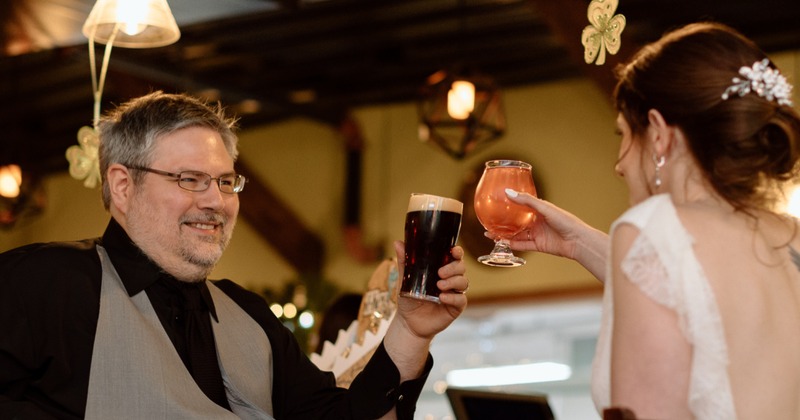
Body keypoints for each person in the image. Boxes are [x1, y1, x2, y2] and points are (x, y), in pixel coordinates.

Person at [0, 91, 469, 419]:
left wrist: (410, 329)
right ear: (123, 186)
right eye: (189, 179)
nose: (215, 201)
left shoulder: (248, 317)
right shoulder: (45, 284)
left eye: (226, 181)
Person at [503, 22, 800, 419]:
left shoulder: (653, 227)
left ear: (659, 134)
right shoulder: (791, 237)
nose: (620, 164)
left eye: (625, 135)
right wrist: (578, 243)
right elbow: (700, 303)